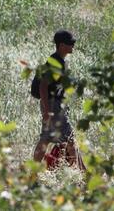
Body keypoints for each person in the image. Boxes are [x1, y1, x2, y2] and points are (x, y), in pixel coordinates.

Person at [33, 30, 85, 170]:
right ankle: (85, 174)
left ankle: (31, 174)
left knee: (45, 139)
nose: (73, 46)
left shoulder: (59, 61)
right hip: (53, 106)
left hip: (55, 105)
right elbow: (43, 86)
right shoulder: (55, 62)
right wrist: (48, 110)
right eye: (70, 44)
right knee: (69, 140)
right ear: (61, 45)